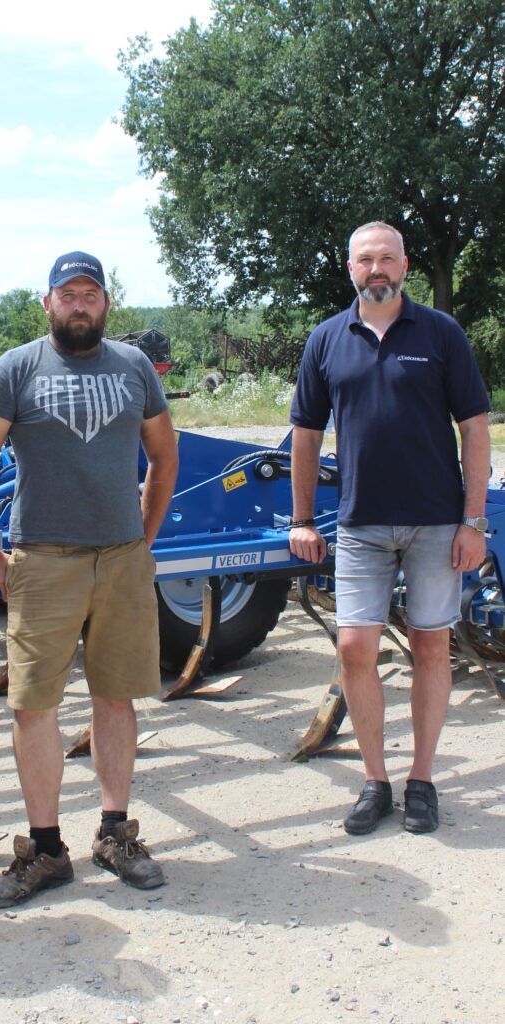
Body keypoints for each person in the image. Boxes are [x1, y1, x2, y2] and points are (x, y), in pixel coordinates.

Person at [0, 251, 179, 907]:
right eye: (68, 293)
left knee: (117, 698)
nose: (80, 303)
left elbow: (165, 458)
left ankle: (115, 833)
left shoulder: (134, 367)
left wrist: (145, 535)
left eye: (91, 293)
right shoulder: (17, 369)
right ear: (47, 304)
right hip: (42, 559)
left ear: (106, 303)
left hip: (121, 559)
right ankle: (46, 849)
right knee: (33, 705)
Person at [289, 221, 490, 836]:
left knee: (432, 646)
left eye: (386, 259)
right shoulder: (327, 340)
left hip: (436, 523)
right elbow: (305, 434)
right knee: (355, 649)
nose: (376, 269)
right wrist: (300, 519)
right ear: (349, 268)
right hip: (361, 524)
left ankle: (422, 779)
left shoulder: (441, 333)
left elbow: (475, 429)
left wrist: (473, 521)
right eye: (364, 260)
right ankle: (375, 781)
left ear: (404, 266)